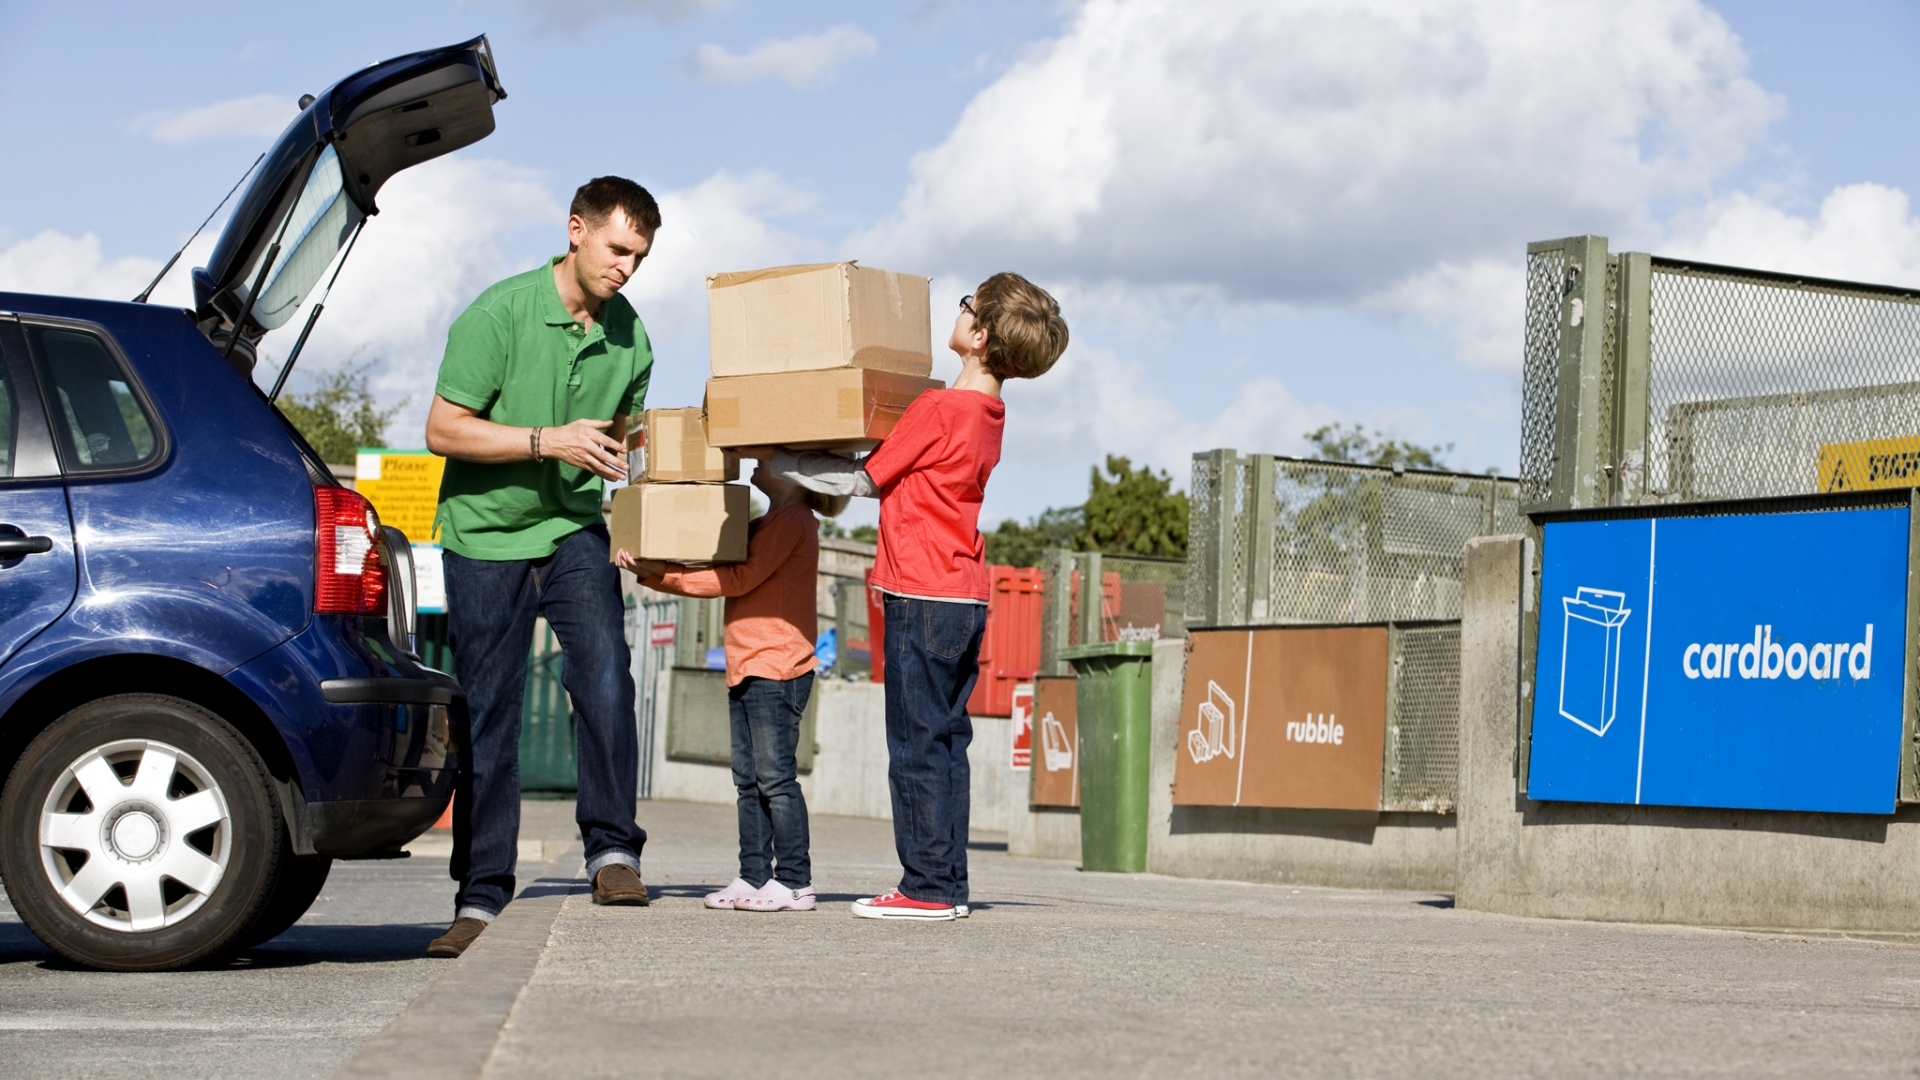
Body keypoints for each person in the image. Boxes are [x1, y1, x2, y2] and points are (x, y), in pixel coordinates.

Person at [769, 273, 1068, 921]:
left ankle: (926, 888)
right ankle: (946, 883)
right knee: (944, 743)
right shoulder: (989, 415)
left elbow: (862, 478)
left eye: (965, 307)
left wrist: (777, 454)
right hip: (965, 595)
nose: (955, 313)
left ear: (979, 335)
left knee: (914, 745)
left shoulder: (937, 410)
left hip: (919, 591)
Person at [421, 177, 661, 959]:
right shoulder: (500, 313)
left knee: (605, 675)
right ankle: (482, 891)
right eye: (618, 249)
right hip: (484, 536)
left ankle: (613, 850)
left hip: (570, 529)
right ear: (575, 230)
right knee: (489, 711)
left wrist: (632, 509)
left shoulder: (634, 341)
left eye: (640, 256)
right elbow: (443, 430)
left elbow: (621, 448)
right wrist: (545, 440)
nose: (627, 267)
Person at [618, 463, 847, 913]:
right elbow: (721, 562)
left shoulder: (793, 521)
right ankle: (754, 875)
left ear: (797, 474)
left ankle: (796, 882)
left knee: (775, 780)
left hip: (777, 666)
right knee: (749, 783)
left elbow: (739, 578)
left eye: (770, 456)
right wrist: (658, 564)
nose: (757, 461)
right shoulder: (765, 522)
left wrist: (660, 574)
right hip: (749, 665)